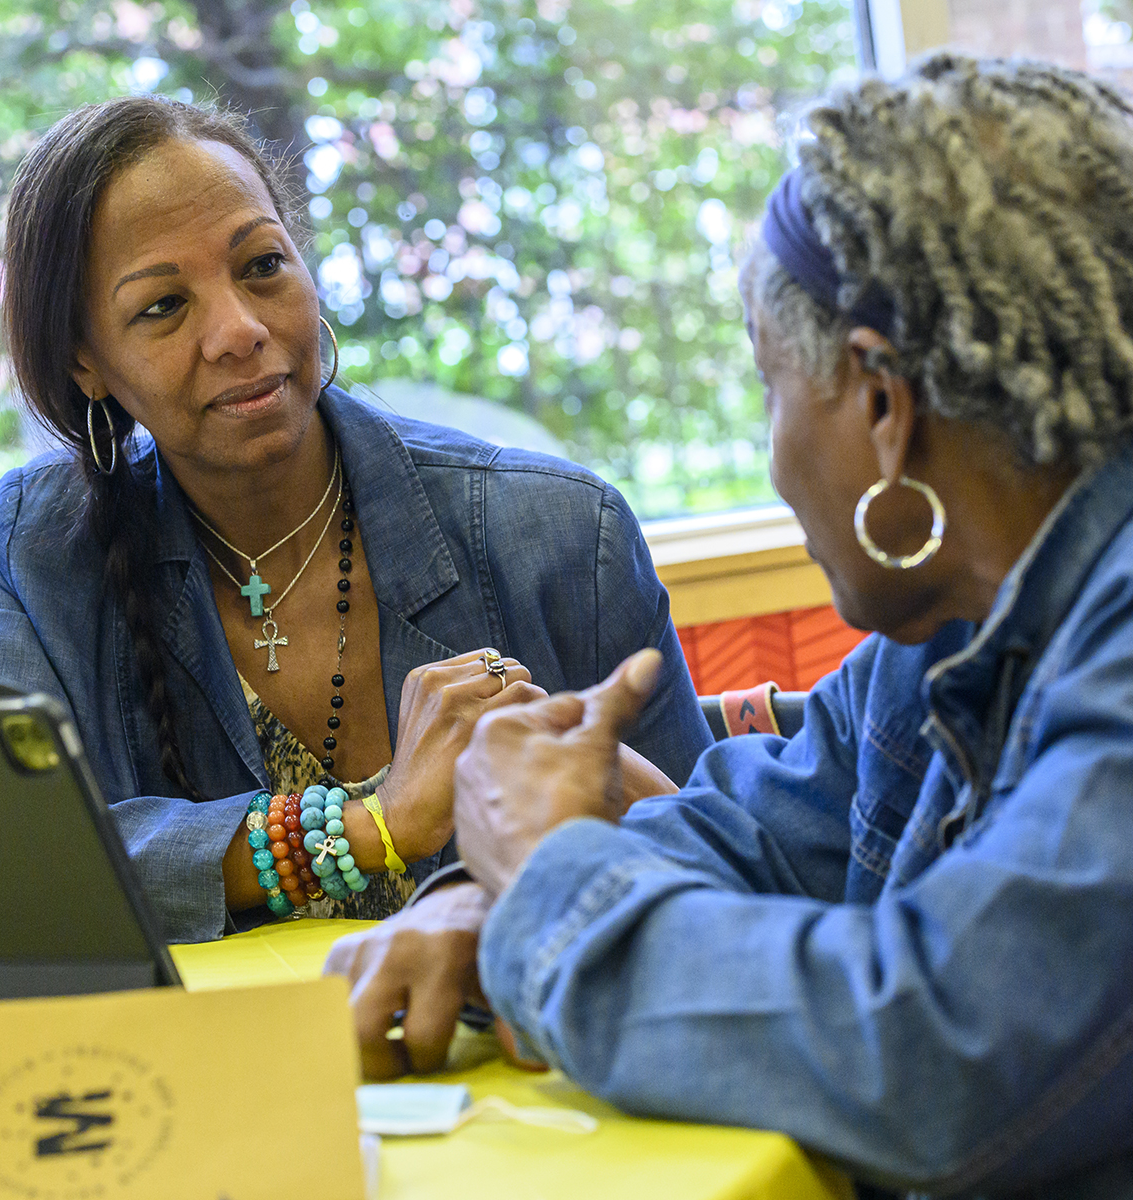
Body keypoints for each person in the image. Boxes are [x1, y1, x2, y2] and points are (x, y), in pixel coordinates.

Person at [327, 55, 1133, 1197]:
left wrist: (552, 878)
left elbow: (937, 1052)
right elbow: (755, 834)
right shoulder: (952, 623)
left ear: (882, 404)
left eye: (768, 385)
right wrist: (482, 902)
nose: (770, 453)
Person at [0, 95, 711, 944]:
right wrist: (365, 828)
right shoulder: (43, 547)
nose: (239, 330)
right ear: (87, 361)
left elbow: (710, 874)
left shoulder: (565, 534)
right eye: (164, 306)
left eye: (263, 265)